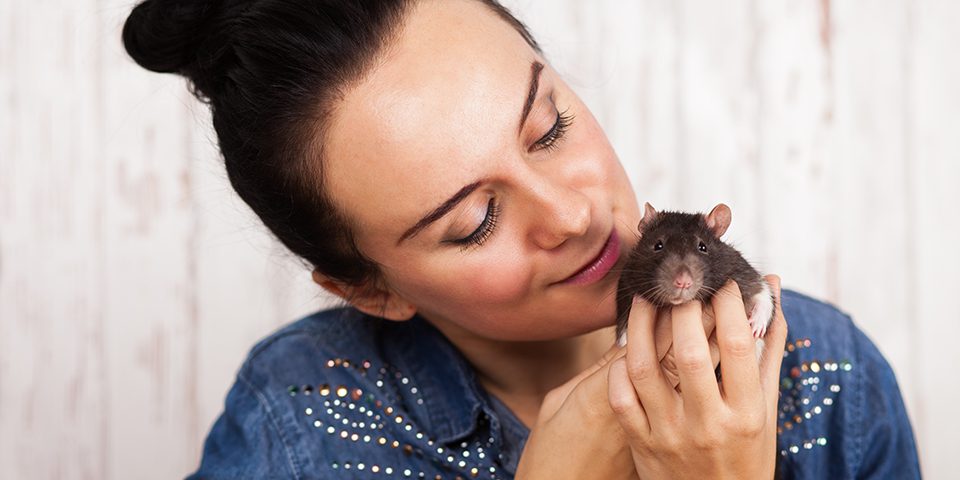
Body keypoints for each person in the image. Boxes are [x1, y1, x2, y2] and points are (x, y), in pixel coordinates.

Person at [122, 0, 921, 478]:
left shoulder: (826, 377)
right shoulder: (300, 428)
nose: (572, 216)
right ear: (373, 289)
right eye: (475, 221)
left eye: (550, 129)